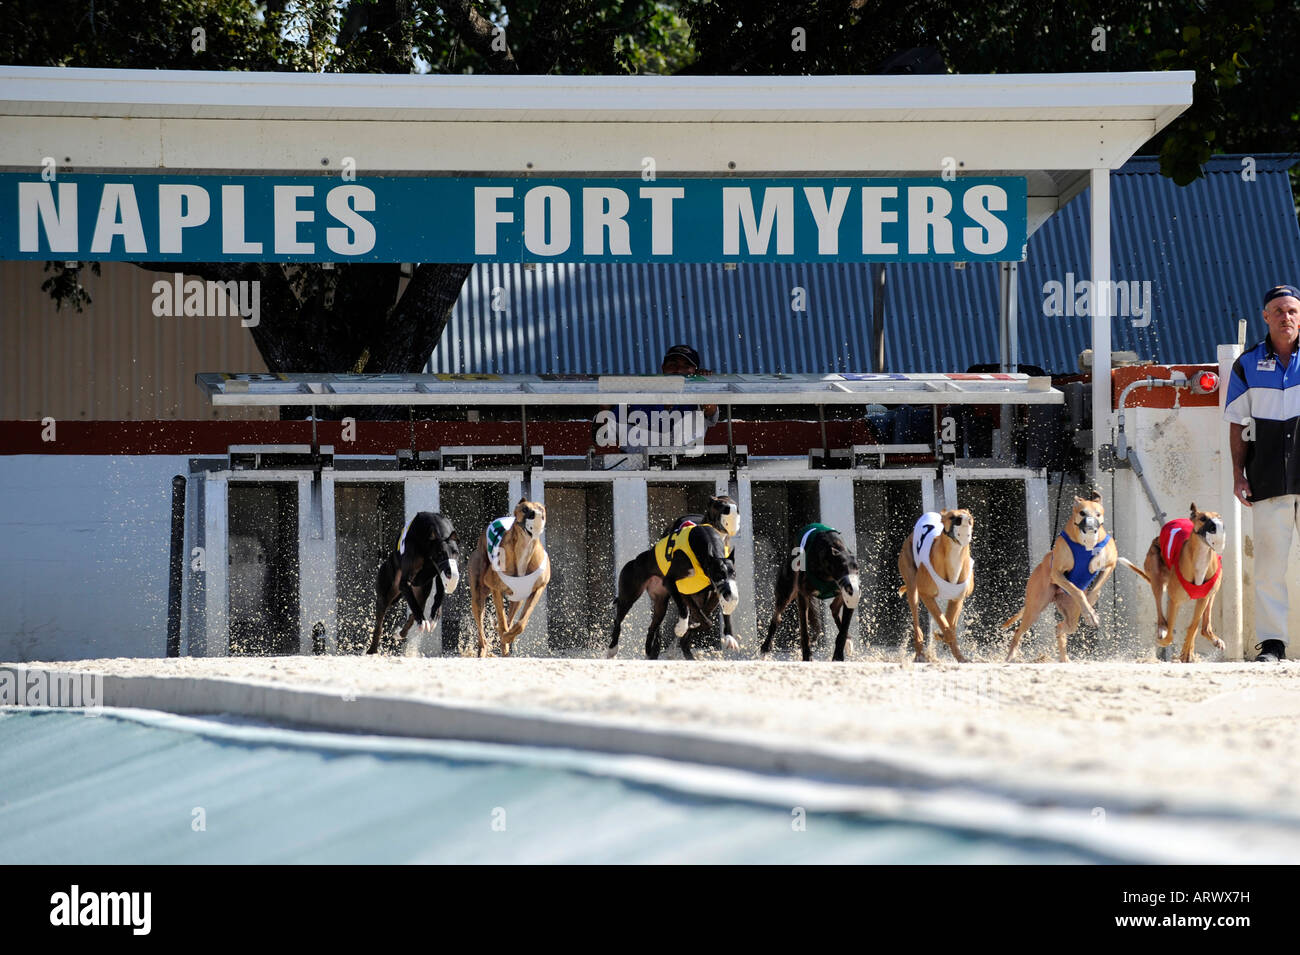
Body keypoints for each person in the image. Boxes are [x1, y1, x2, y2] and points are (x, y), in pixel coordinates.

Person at [1224, 284, 1300, 662]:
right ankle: (1273, 645)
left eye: (1292, 311)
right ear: (1265, 317)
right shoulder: (1247, 364)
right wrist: (1238, 475)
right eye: (1279, 311)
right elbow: (1237, 423)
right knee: (1270, 567)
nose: (1286, 317)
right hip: (1268, 478)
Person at [595, 344, 721, 465]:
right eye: (673, 364)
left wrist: (702, 383)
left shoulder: (699, 396)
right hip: (638, 465)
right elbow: (605, 429)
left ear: (695, 370)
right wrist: (604, 408)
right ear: (663, 367)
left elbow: (710, 409)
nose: (678, 370)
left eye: (686, 366)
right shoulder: (639, 393)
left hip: (684, 464)